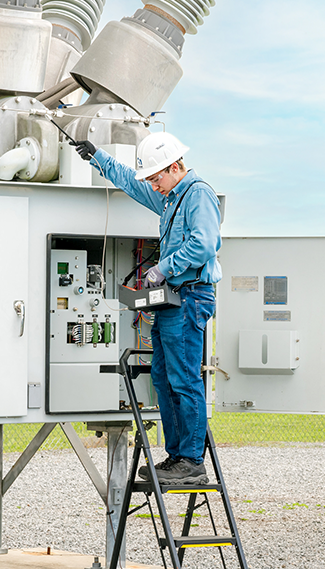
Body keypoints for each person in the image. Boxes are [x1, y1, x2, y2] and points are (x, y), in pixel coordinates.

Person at [72, 132, 221, 485]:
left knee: (183, 378)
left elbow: (205, 243)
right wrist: (98, 158)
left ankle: (191, 460)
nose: (153, 186)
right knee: (162, 377)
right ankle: (177, 456)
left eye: (156, 177)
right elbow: (132, 184)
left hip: (189, 297)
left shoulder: (198, 194)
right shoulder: (171, 198)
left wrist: (163, 267)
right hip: (173, 299)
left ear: (175, 166)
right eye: (151, 179)